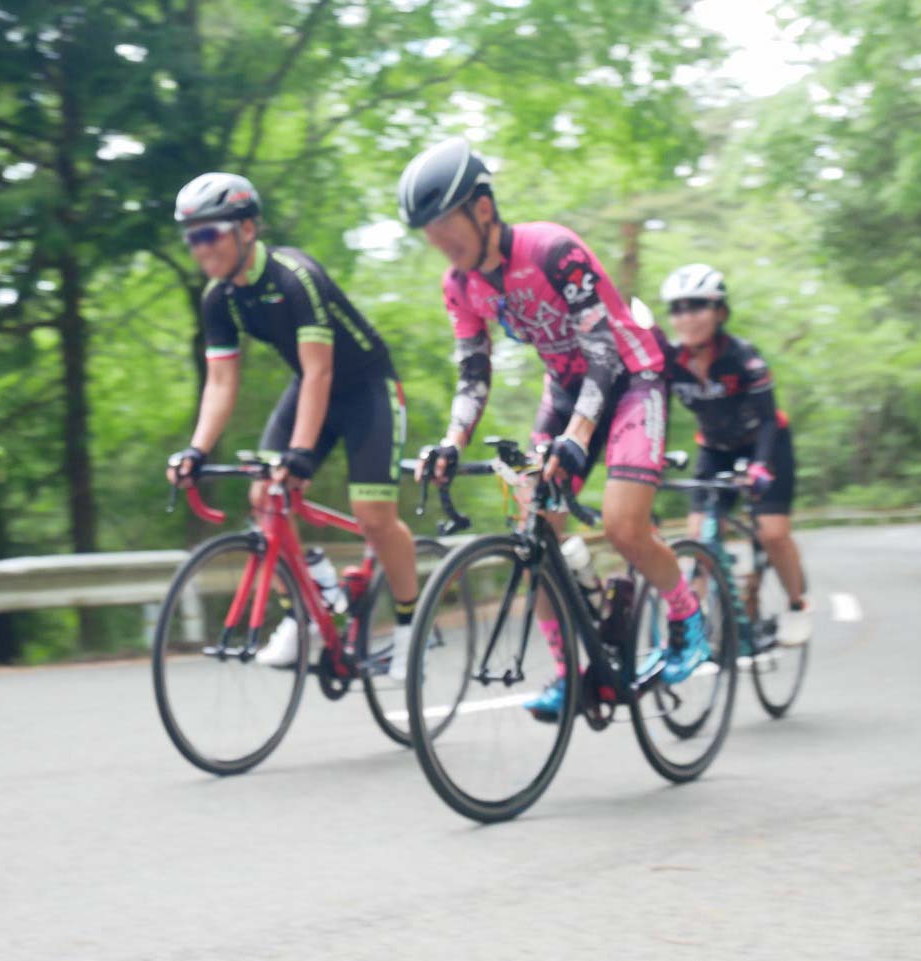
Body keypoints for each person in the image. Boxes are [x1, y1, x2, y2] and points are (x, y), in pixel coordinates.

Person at [397, 137, 711, 720]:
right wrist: (451, 442)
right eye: (427, 232)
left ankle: (687, 617)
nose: (437, 241)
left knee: (622, 525)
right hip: (565, 389)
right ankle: (572, 673)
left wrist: (578, 437)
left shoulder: (552, 251)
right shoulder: (459, 285)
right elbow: (473, 372)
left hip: (631, 377)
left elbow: (604, 354)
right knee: (532, 526)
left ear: (482, 209)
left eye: (442, 224)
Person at [165, 172, 420, 678]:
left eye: (210, 233)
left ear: (247, 228)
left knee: (372, 514)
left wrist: (300, 453)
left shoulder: (294, 277)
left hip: (366, 388)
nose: (201, 248)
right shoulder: (219, 298)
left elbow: (321, 370)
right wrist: (197, 450)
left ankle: (411, 630)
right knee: (265, 497)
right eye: (192, 237)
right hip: (310, 386)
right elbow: (221, 381)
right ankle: (305, 611)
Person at [654, 264, 811, 658]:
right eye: (678, 308)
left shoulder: (744, 358)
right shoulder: (670, 362)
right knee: (699, 537)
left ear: (720, 312)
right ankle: (695, 626)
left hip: (765, 444)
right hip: (714, 448)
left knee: (772, 533)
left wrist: (760, 467)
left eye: (697, 306)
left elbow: (768, 419)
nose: (686, 317)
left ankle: (797, 604)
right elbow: (658, 411)